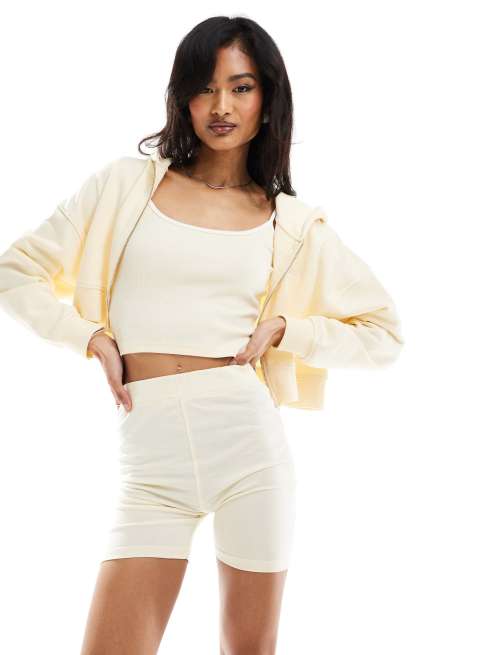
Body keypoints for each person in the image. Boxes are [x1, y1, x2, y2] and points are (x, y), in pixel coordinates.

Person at [0, 15, 404, 655]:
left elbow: (383, 333)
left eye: (241, 88)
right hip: (150, 458)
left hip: (248, 447)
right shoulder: (125, 186)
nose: (222, 107)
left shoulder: (290, 224)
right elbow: (15, 271)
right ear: (182, 96)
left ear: (267, 97)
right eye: (205, 88)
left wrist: (287, 329)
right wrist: (89, 337)